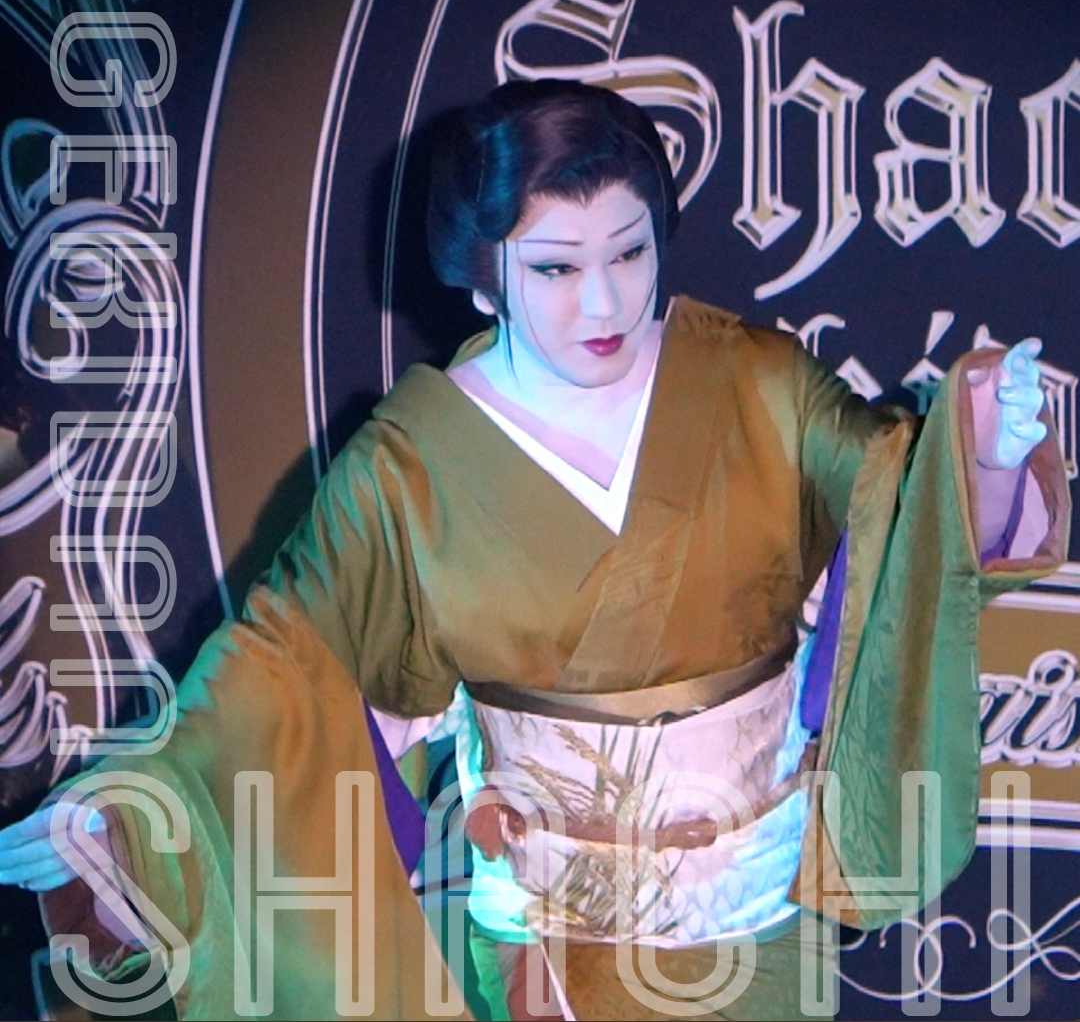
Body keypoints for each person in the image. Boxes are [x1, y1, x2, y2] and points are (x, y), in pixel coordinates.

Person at [0, 80, 1070, 1021]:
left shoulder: (759, 382)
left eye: (631, 252)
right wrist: (138, 814)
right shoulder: (410, 464)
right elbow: (282, 666)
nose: (604, 300)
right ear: (483, 278)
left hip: (763, 926)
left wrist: (976, 458)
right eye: (556, 267)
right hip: (553, 947)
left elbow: (896, 508)